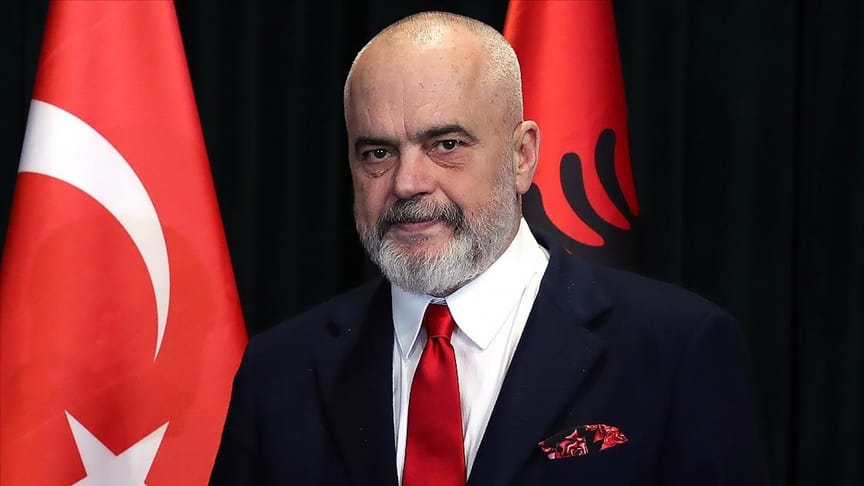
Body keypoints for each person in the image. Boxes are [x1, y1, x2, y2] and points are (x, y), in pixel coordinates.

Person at [210, 11, 767, 485]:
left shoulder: (676, 350)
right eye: (378, 153)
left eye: (446, 144)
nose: (407, 183)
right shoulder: (279, 371)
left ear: (522, 156)